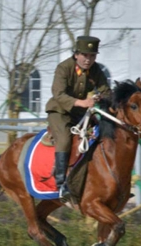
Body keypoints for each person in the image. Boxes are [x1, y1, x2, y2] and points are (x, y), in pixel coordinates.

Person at [45, 36, 110, 198]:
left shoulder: (96, 70)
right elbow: (58, 94)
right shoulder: (63, 68)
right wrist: (83, 102)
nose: (88, 60)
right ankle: (61, 184)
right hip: (59, 111)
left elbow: (106, 91)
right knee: (65, 139)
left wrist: (101, 97)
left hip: (80, 113)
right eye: (85, 55)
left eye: (92, 56)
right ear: (76, 54)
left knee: (99, 135)